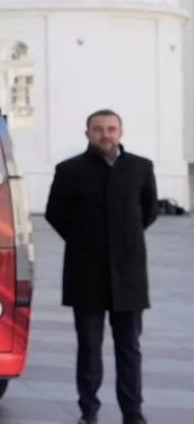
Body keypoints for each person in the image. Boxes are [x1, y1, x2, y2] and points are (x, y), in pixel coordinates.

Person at [45, 109, 157, 424]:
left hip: (129, 275)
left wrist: (122, 242)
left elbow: (148, 213)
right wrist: (84, 240)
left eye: (111, 129)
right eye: (98, 129)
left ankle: (132, 411)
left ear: (120, 132)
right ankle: (89, 410)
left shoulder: (140, 168)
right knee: (89, 348)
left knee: (129, 347)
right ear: (87, 134)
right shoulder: (68, 170)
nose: (105, 135)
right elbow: (55, 213)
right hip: (86, 273)